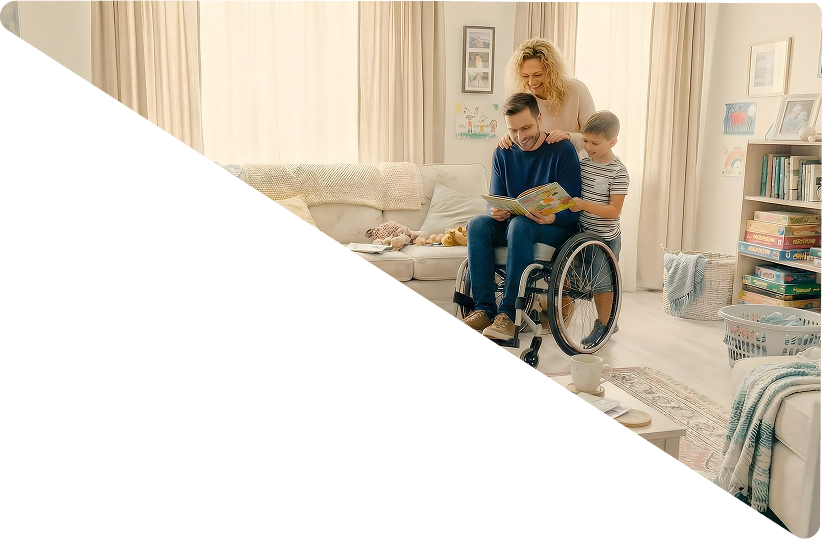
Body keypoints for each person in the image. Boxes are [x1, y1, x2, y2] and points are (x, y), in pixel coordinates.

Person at [462, 92, 582, 340]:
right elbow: (495, 199)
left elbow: (573, 209)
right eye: (513, 130)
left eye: (526, 128)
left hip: (554, 228)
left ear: (539, 119)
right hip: (517, 226)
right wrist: (494, 211)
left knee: (519, 224)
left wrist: (553, 218)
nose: (520, 137)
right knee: (477, 224)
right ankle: (484, 309)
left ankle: (507, 315)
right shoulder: (503, 152)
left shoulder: (562, 150)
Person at [567, 110, 629, 347]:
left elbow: (614, 211)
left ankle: (604, 325)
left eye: (595, 143)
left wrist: (583, 205)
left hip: (605, 237)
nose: (588, 147)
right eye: (585, 141)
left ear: (612, 142)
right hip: (582, 232)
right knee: (579, 276)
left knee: (603, 285)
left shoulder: (618, 172)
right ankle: (605, 317)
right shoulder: (584, 164)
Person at [498, 38, 595, 156]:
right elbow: (523, 133)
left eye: (537, 75)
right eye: (525, 76)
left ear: (552, 71)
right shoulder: (523, 98)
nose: (531, 82)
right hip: (541, 162)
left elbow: (595, 138)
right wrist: (510, 136)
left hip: (575, 161)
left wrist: (569, 137)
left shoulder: (577, 90)